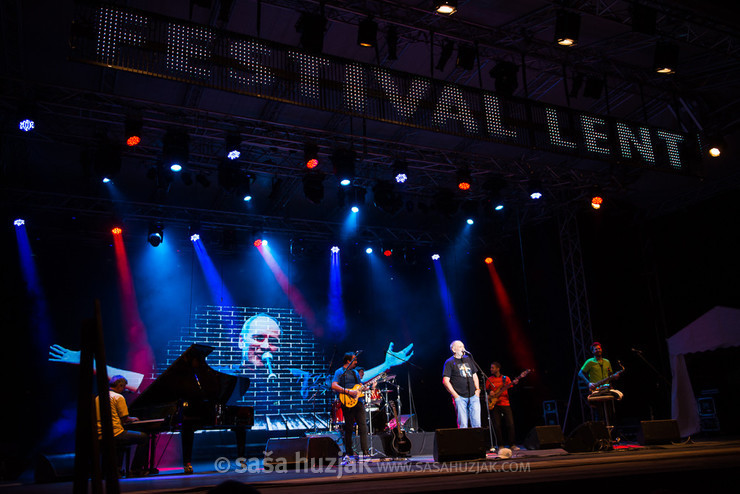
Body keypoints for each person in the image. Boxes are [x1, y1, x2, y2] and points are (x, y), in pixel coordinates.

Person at [95, 375, 149, 476]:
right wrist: (134, 418)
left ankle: (117, 469)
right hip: (114, 433)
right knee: (144, 437)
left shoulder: (99, 397)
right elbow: (125, 419)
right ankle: (136, 469)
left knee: (123, 440)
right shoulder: (118, 397)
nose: (124, 389)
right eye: (123, 387)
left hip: (100, 434)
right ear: (119, 385)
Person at [331, 352, 369, 459]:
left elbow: (360, 385)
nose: (356, 362)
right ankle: (349, 452)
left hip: (359, 401)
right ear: (348, 361)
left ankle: (365, 451)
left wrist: (366, 387)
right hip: (347, 401)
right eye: (354, 360)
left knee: (363, 426)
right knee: (349, 428)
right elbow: (334, 385)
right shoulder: (339, 372)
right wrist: (348, 392)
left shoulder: (355, 373)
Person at [442, 340, 481, 428]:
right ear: (453, 349)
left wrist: (477, 389)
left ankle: (477, 441)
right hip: (460, 397)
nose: (462, 348)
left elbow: (475, 375)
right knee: (463, 424)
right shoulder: (449, 362)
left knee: (477, 424)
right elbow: (445, 381)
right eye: (460, 347)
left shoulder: (468, 359)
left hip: (473, 395)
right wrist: (455, 395)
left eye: (463, 346)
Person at [578, 341, 619, 423]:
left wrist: (614, 377)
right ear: (592, 351)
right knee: (599, 414)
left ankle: (611, 432)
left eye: (599, 348)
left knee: (610, 413)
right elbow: (580, 373)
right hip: (597, 390)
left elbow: (610, 374)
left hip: (607, 389)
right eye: (595, 349)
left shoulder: (607, 361)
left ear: (601, 350)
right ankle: (600, 433)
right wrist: (588, 383)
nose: (598, 350)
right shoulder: (590, 362)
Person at [485, 362, 518, 450]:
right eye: (491, 368)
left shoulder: (506, 378)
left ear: (498, 369)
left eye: (492, 368)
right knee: (497, 425)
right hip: (495, 404)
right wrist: (489, 392)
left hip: (505, 403)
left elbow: (512, 390)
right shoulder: (489, 379)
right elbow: (485, 390)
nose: (491, 369)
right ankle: (500, 445)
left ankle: (512, 444)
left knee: (510, 424)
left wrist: (514, 384)